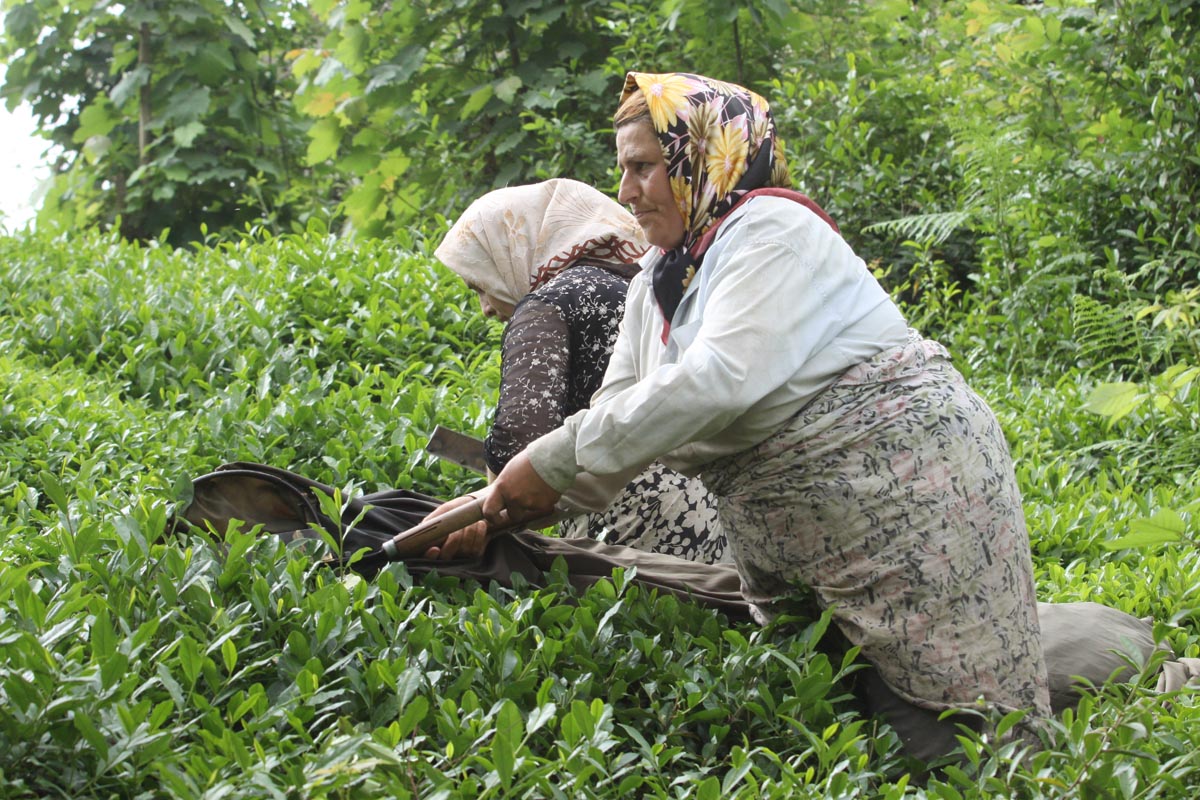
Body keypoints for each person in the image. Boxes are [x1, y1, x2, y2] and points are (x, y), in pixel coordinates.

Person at [435, 72, 1051, 759]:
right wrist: (498, 508)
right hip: (786, 531)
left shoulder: (770, 229)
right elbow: (618, 419)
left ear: (707, 156)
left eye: (644, 167)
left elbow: (716, 381)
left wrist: (543, 463)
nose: (625, 192)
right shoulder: (658, 278)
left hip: (907, 497)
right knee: (823, 720)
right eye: (622, 170)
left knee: (959, 735)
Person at [430, 178, 728, 564]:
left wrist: (476, 516)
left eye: (480, 286)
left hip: (627, 525)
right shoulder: (641, 286)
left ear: (510, 253)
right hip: (710, 515)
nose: (485, 307)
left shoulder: (546, 304)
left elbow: (518, 443)